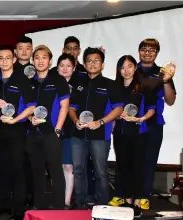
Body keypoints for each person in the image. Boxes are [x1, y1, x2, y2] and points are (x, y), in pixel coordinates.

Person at [68, 47, 124, 209]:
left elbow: (118, 109)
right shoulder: (79, 84)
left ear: (102, 64)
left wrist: (100, 122)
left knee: (101, 172)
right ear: (84, 65)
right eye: (89, 61)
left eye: (96, 61)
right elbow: (71, 108)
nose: (92, 64)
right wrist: (75, 120)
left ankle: (102, 206)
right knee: (78, 170)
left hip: (100, 135)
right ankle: (80, 203)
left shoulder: (110, 84)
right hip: (78, 134)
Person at [0, 46, 35, 220]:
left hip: (17, 129)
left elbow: (31, 106)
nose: (4, 61)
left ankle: (18, 209)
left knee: (18, 168)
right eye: (0, 58)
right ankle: (4, 204)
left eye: (7, 58)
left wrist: (15, 119)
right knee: (2, 169)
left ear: (14, 59)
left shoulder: (22, 80)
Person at [23, 45, 69, 210]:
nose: (40, 61)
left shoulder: (58, 80)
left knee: (55, 171)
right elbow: (25, 107)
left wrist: (57, 129)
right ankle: (40, 205)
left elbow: (65, 106)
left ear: (50, 61)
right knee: (37, 171)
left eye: (44, 57)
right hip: (33, 133)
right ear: (33, 61)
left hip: (52, 133)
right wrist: (29, 118)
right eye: (37, 58)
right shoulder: (29, 81)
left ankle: (58, 207)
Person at [111, 55, 156, 217]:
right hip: (120, 133)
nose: (126, 70)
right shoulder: (115, 87)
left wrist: (141, 118)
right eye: (122, 67)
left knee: (138, 166)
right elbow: (110, 110)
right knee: (123, 167)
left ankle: (138, 199)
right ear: (119, 70)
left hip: (139, 132)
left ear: (135, 68)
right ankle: (127, 198)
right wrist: (116, 115)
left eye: (129, 66)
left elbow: (152, 108)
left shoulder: (143, 86)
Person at [138, 38, 175, 210]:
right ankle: (130, 196)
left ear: (156, 53)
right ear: (139, 51)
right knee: (130, 161)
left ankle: (144, 196)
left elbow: (170, 100)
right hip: (132, 123)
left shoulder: (162, 73)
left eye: (151, 50)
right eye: (144, 49)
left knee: (149, 161)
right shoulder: (131, 68)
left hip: (153, 124)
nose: (147, 52)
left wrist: (166, 81)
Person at [56, 53, 89, 208]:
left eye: (68, 66)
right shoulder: (52, 84)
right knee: (57, 166)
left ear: (74, 68)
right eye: (61, 65)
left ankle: (67, 201)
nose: (65, 68)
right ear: (57, 68)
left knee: (70, 166)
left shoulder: (81, 85)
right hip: (55, 130)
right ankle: (58, 198)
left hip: (74, 130)